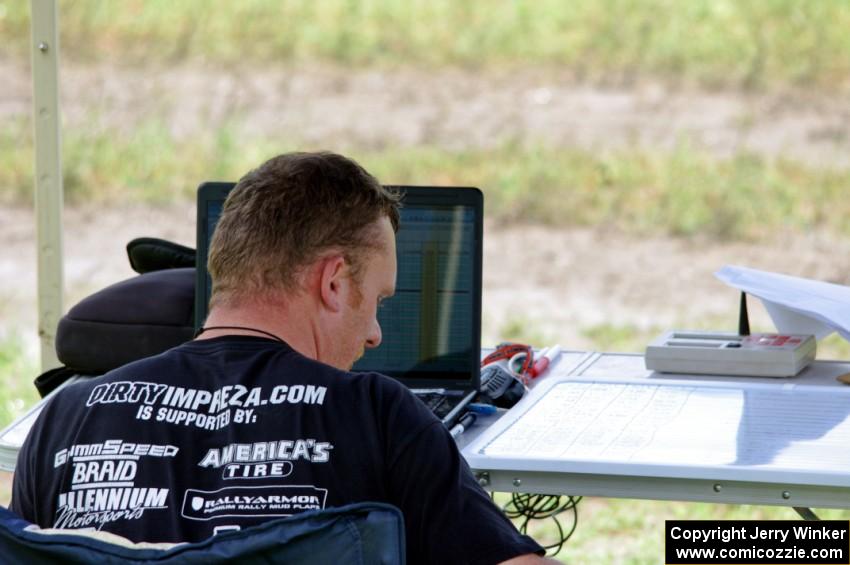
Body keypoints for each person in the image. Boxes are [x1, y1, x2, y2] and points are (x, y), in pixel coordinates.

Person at [12, 151, 557, 564]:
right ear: (335, 282)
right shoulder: (377, 412)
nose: (373, 335)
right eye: (377, 302)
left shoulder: (66, 416)